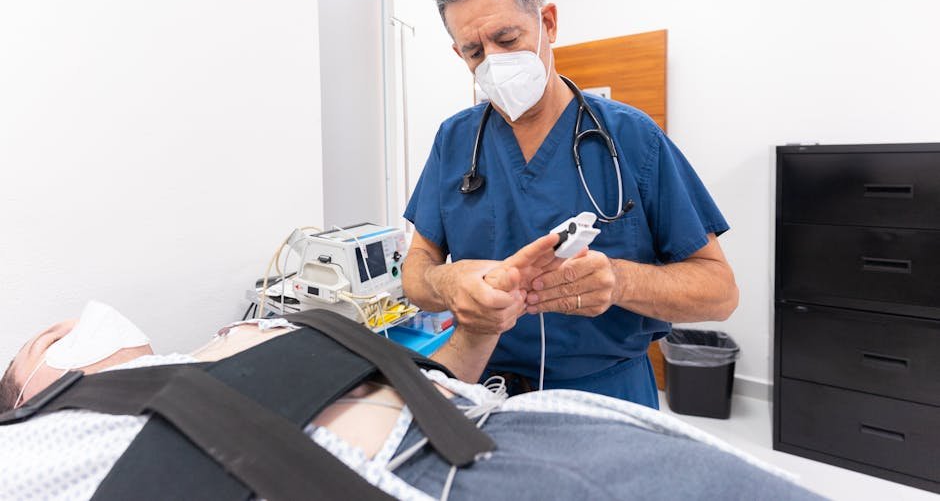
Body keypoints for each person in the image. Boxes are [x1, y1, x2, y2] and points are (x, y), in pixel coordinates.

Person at [0, 298, 817, 500]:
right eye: (49, 333)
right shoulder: (36, 441)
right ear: (32, 386)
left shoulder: (232, 336)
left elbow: (439, 374)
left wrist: (478, 322)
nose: (75, 324)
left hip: (518, 428)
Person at [402, 0, 738, 405]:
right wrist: (447, 282)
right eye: (474, 51)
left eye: (507, 38)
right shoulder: (456, 140)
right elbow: (416, 272)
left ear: (549, 23)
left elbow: (720, 292)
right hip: (485, 390)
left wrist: (621, 282)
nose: (493, 62)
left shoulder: (631, 137)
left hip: (608, 393)